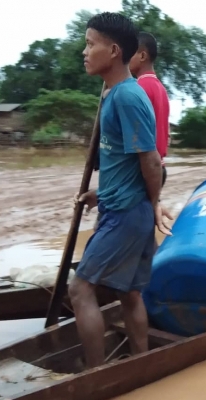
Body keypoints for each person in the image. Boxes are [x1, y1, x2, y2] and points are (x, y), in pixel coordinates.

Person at [69, 12, 172, 369]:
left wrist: (153, 204)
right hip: (124, 207)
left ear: (113, 50)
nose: (84, 51)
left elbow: (152, 161)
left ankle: (96, 375)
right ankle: (139, 364)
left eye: (90, 43)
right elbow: (126, 165)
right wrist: (101, 194)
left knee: (80, 290)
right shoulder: (115, 95)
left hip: (127, 215)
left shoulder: (127, 97)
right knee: (129, 292)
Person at [129, 32, 171, 187]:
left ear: (142, 56)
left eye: (130, 53)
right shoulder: (161, 88)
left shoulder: (138, 88)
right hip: (160, 167)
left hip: (144, 170)